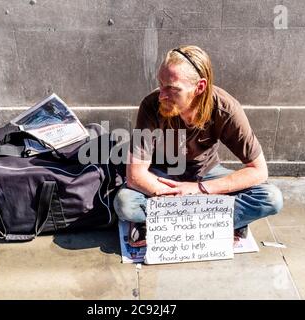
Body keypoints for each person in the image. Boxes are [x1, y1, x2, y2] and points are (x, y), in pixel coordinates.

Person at [113, 45, 283, 247]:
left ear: (199, 87)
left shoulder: (225, 109)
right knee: (125, 203)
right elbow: (136, 175)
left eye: (172, 89)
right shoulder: (151, 105)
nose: (162, 95)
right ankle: (216, 221)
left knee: (271, 198)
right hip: (163, 178)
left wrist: (200, 190)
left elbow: (259, 170)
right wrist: (176, 196)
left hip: (206, 174)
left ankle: (168, 222)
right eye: (161, 84)